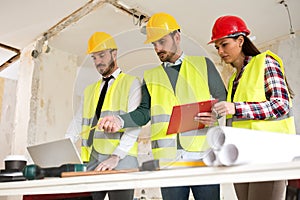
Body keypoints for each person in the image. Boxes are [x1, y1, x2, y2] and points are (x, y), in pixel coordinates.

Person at [99, 12, 227, 200]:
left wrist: (215, 113)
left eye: (162, 42)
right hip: (168, 160)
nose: (158, 48)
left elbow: (222, 98)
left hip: (203, 156)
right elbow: (143, 113)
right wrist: (119, 120)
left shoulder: (203, 65)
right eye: (154, 44)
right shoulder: (150, 76)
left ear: (177, 37)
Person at [208, 15, 296, 200]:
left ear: (240, 41)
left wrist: (236, 107)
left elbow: (280, 105)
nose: (220, 51)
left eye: (224, 44)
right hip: (241, 157)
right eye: (217, 47)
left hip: (269, 156)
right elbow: (236, 121)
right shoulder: (233, 79)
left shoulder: (265, 62)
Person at [66, 31, 142, 200]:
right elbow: (79, 121)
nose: (98, 62)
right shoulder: (89, 90)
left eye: (101, 55)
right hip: (93, 160)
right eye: (94, 58)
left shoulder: (132, 83)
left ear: (114, 53)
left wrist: (116, 156)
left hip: (122, 159)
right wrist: (65, 145)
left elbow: (135, 124)